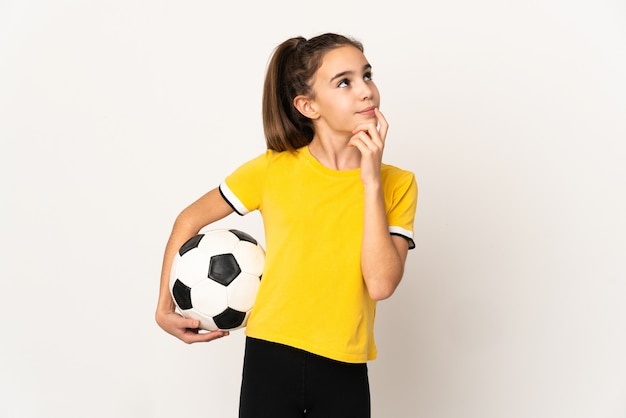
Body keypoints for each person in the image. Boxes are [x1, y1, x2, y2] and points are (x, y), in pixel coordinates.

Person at [156, 32, 418, 418]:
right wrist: (165, 306)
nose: (366, 91)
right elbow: (189, 219)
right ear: (308, 105)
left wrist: (370, 180)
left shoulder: (397, 184)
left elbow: (380, 283)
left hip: (344, 363)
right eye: (344, 82)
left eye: (367, 75)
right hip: (270, 355)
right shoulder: (272, 170)